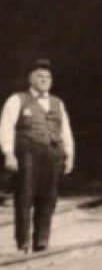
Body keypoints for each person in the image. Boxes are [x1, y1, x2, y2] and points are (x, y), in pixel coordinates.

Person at [0, 58, 74, 253]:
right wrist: (8, 153)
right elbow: (6, 127)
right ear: (30, 79)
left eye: (48, 77)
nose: (44, 80)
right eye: (40, 76)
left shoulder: (57, 103)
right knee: (25, 196)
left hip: (52, 156)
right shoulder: (17, 99)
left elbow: (65, 131)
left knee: (48, 198)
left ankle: (42, 240)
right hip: (27, 156)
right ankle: (23, 241)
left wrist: (69, 154)